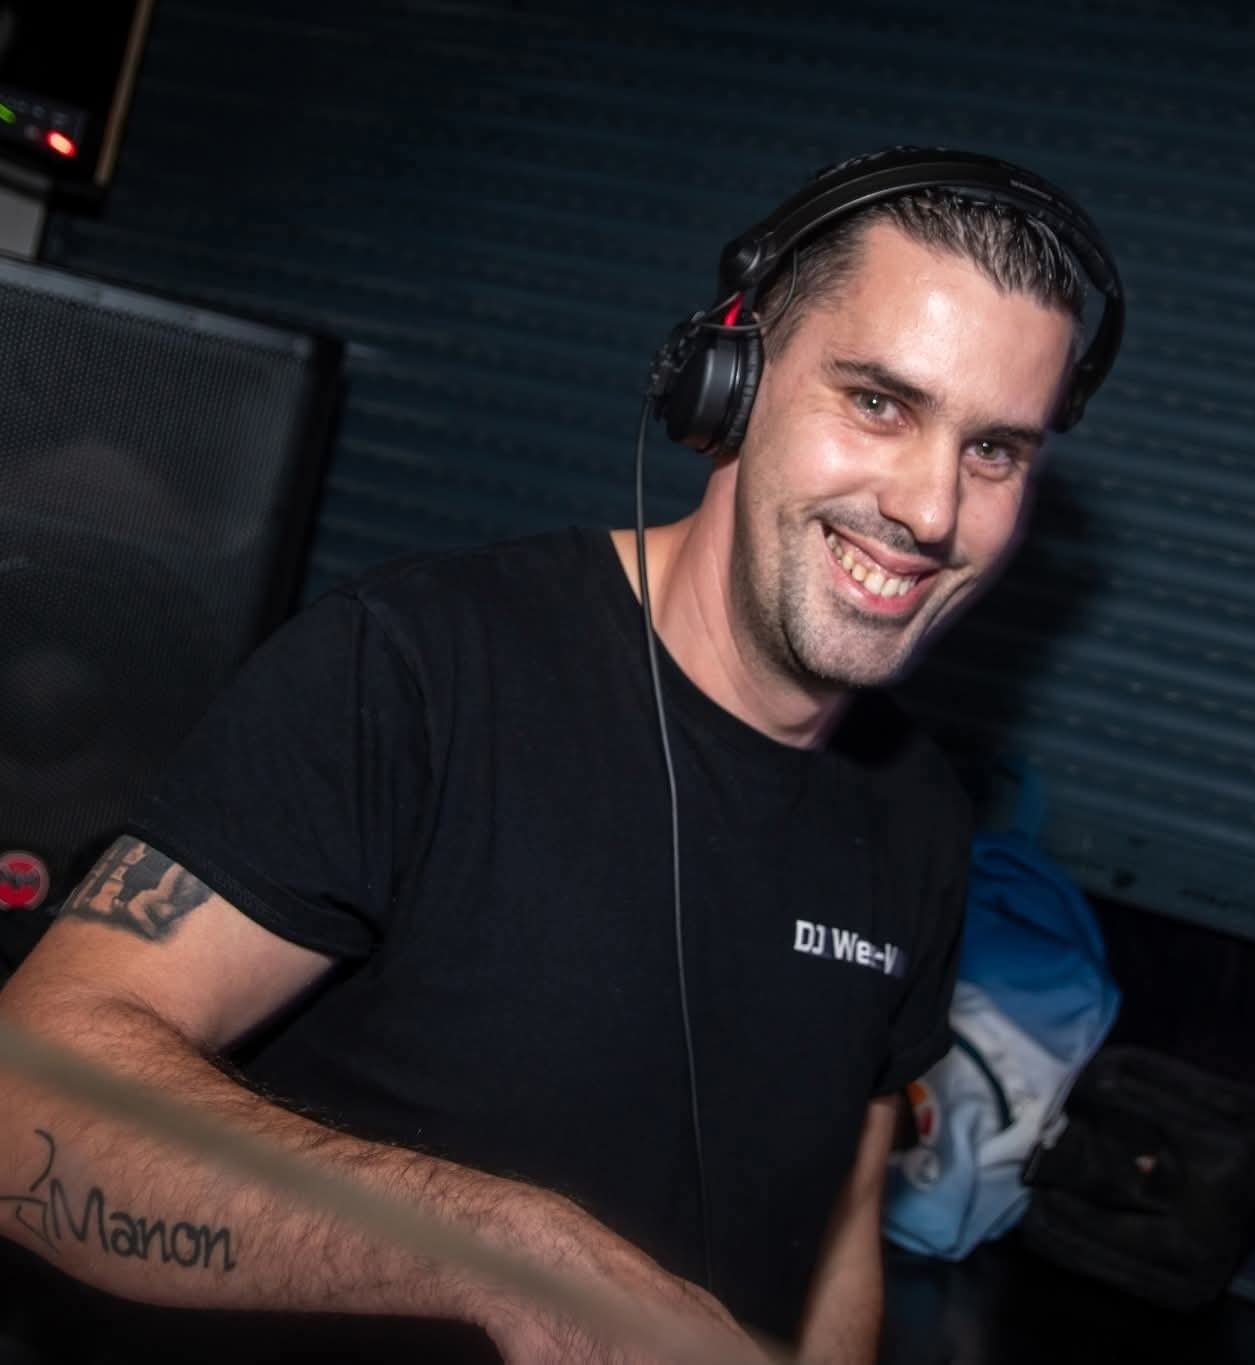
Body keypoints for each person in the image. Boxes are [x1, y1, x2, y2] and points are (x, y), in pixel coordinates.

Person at [0, 148, 1117, 1363]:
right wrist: (498, 1257)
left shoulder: (921, 818)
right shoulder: (414, 671)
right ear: (728, 383)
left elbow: (843, 1221)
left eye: (992, 451)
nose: (931, 510)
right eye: (878, 404)